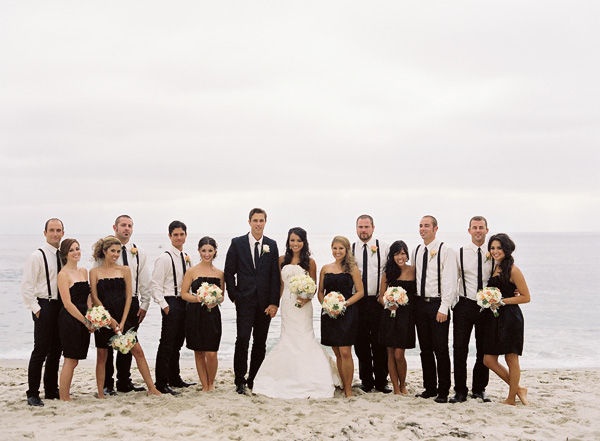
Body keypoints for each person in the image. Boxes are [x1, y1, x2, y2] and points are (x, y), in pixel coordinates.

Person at [253, 227, 340, 399]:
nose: (295, 243)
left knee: (305, 337)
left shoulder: (311, 262)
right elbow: (280, 286)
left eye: (299, 240)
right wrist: (274, 304)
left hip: (304, 306)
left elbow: (314, 287)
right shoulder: (281, 260)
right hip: (287, 304)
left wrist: (306, 298)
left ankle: (312, 377)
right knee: (288, 338)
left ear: (304, 242)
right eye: (292, 240)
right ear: (288, 241)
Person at [89, 236, 160, 398]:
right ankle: (101, 393)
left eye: (118, 251)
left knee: (138, 351)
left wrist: (122, 321)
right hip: (104, 317)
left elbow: (129, 297)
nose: (115, 254)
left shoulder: (125, 270)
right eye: (112, 251)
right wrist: (109, 319)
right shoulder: (94, 272)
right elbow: (95, 297)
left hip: (124, 316)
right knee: (102, 356)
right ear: (104, 251)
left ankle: (152, 388)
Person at [224, 208, 281, 395]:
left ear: (266, 222)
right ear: (249, 222)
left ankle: (253, 379)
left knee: (260, 342)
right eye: (255, 220)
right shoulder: (237, 243)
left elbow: (275, 276)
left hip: (265, 304)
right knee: (242, 340)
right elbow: (229, 272)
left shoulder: (271, 245)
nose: (258, 224)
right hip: (244, 301)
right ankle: (239, 380)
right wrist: (234, 296)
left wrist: (274, 303)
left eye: (261, 220)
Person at [102, 215, 152, 395]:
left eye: (130, 226)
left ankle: (124, 382)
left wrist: (145, 303)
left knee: (128, 343)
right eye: (123, 225)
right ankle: (107, 384)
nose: (126, 229)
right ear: (115, 227)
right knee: (107, 345)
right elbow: (96, 276)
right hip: (108, 303)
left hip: (132, 303)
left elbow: (145, 280)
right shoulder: (105, 250)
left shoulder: (138, 253)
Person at [413, 215, 458, 403]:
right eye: (421, 226)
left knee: (440, 348)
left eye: (427, 226)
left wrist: (444, 307)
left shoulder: (445, 250)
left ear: (435, 228)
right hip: (420, 304)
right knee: (425, 349)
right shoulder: (417, 250)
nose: (423, 229)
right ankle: (429, 387)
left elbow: (450, 281)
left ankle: (443, 390)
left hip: (438, 304)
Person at [483, 233, 530, 406]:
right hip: (495, 318)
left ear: (506, 249)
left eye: (499, 248)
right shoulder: (495, 267)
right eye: (492, 248)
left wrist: (502, 301)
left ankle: (511, 398)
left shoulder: (513, 270)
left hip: (511, 318)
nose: (495, 251)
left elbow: (526, 297)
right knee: (488, 359)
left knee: (511, 359)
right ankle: (518, 389)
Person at [21, 218, 65, 406]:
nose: (55, 234)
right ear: (45, 232)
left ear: (63, 232)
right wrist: (37, 309)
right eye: (52, 230)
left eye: (59, 230)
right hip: (44, 305)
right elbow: (26, 286)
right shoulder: (37, 256)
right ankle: (32, 393)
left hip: (60, 306)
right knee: (40, 350)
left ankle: (51, 390)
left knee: (56, 350)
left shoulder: (63, 255)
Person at [450, 216, 493, 403]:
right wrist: (452, 303)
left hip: (487, 307)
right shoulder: (460, 253)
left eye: (481, 227)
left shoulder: (494, 252)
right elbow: (453, 279)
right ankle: (460, 390)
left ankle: (479, 389)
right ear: (469, 231)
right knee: (460, 348)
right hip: (465, 304)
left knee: (484, 349)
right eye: (474, 227)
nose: (478, 231)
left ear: (487, 230)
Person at [152, 220, 195, 395]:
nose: (179, 237)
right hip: (171, 302)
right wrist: (164, 305)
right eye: (175, 234)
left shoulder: (186, 256)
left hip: (184, 301)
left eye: (181, 234)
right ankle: (161, 382)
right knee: (167, 344)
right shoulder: (164, 258)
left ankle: (174, 378)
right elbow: (155, 285)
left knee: (178, 343)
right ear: (170, 236)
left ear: (185, 235)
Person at [318, 235, 364, 398]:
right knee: (337, 352)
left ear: (347, 250)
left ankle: (349, 390)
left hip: (347, 313)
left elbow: (360, 292)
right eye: (335, 248)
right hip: (329, 314)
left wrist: (344, 304)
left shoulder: (352, 269)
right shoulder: (325, 268)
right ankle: (344, 384)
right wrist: (327, 305)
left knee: (346, 352)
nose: (337, 251)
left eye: (341, 248)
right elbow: (320, 292)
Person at [352, 215, 390, 393]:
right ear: (356, 228)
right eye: (360, 227)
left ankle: (382, 381)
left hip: (377, 301)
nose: (363, 230)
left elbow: (389, 273)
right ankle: (366, 380)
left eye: (366, 227)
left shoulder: (384, 248)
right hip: (358, 302)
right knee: (360, 343)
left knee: (379, 342)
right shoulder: (351, 248)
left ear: (373, 228)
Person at [181, 236, 224, 392]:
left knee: (211, 353)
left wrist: (215, 300)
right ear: (199, 251)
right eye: (204, 250)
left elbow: (222, 297)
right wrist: (198, 298)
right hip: (195, 314)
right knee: (199, 351)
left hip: (213, 315)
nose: (207, 254)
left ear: (215, 251)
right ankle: (205, 385)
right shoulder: (192, 271)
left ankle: (211, 383)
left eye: (210, 250)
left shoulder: (220, 273)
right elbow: (184, 294)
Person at [57, 238, 94, 401]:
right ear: (65, 254)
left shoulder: (83, 271)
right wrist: (84, 321)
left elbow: (88, 297)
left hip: (85, 317)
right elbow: (67, 303)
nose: (75, 252)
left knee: (76, 360)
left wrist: (91, 316)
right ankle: (64, 397)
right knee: (70, 359)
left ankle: (66, 394)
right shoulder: (63, 274)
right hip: (71, 319)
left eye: (77, 248)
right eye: (71, 250)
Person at [378, 240, 416, 395]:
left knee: (400, 354)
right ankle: (395, 387)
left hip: (406, 317)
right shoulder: (388, 273)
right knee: (390, 353)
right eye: (396, 254)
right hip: (389, 316)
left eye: (402, 253)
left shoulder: (414, 270)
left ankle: (403, 384)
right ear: (392, 256)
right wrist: (389, 304)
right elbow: (380, 296)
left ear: (407, 254)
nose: (400, 257)